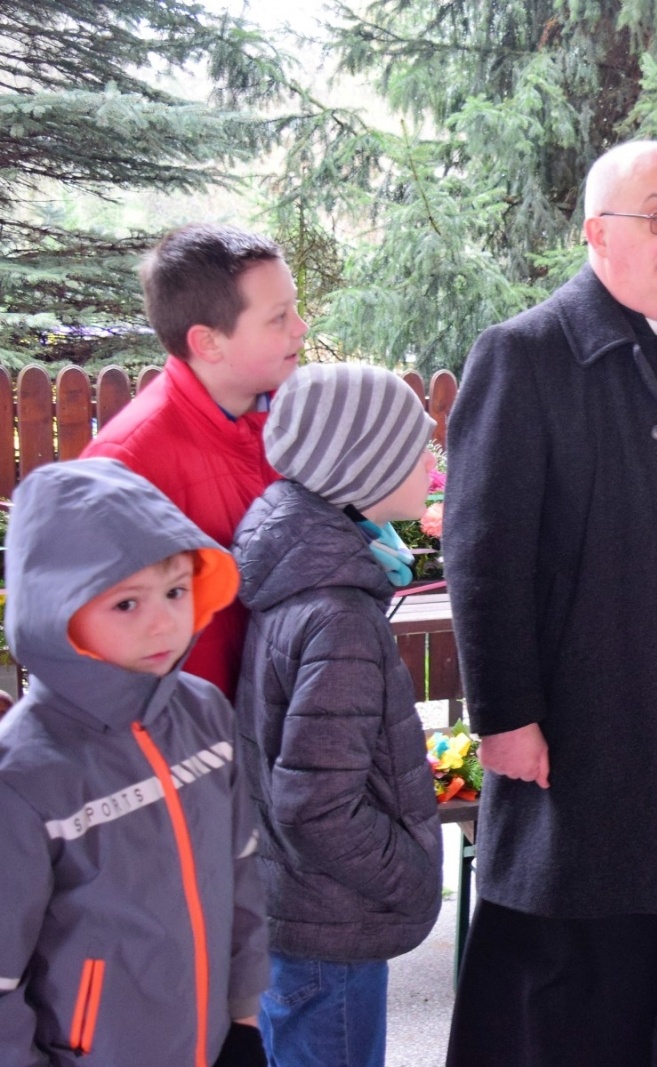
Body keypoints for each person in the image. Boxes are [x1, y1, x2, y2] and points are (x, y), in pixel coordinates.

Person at [442, 140, 657, 1066]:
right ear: (598, 234)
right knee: (560, 947)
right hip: (577, 707)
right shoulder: (522, 354)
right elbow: (484, 555)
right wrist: (506, 717)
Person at [0, 458, 269, 1067]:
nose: (163, 621)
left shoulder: (204, 713)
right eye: (126, 604)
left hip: (218, 1042)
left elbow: (241, 870)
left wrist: (243, 1016)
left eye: (176, 591)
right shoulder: (22, 777)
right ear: (55, 611)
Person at [232, 365, 445, 1067]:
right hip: (331, 929)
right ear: (363, 467)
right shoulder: (338, 613)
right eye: (416, 444)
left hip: (302, 914)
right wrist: (410, 874)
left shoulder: (304, 572)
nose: (431, 455)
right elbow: (316, 806)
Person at [84, 223, 307, 698]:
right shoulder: (126, 463)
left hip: (286, 725)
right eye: (279, 316)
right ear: (208, 342)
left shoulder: (297, 419)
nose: (301, 327)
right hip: (198, 744)